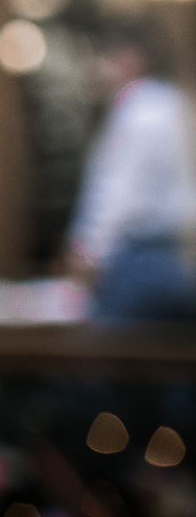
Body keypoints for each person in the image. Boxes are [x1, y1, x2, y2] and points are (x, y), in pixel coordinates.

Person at [66, 26, 196, 324]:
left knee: (102, 361)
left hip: (139, 260)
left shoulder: (136, 109)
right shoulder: (173, 103)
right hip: (179, 256)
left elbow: (116, 194)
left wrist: (87, 252)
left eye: (107, 59)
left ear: (130, 59)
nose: (101, 70)